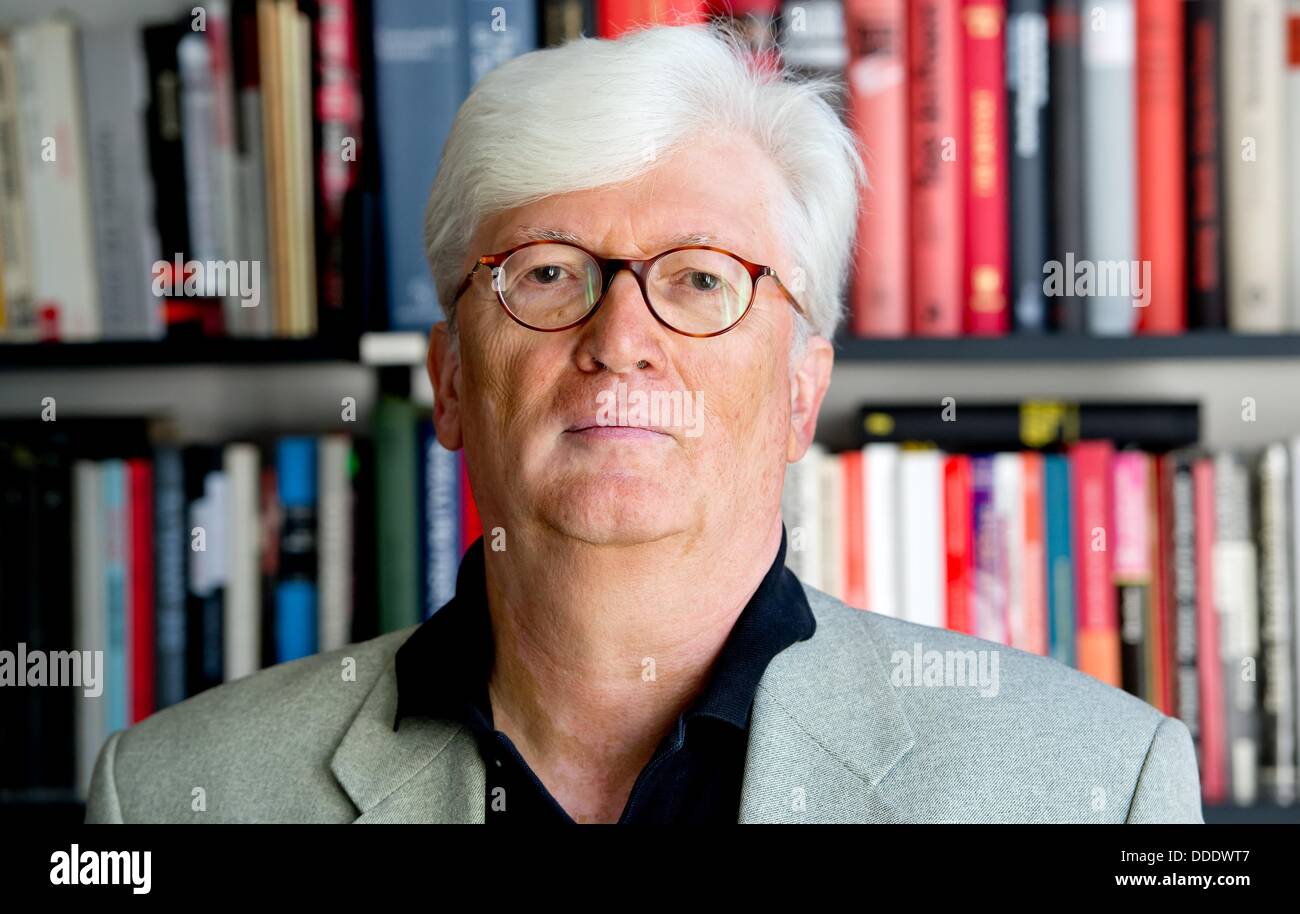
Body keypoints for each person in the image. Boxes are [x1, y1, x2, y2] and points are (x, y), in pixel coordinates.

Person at [87, 22, 1201, 824]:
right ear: (453, 382)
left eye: (704, 280)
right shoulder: (172, 796)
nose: (621, 336)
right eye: (548, 271)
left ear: (800, 392)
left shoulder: (1100, 786)